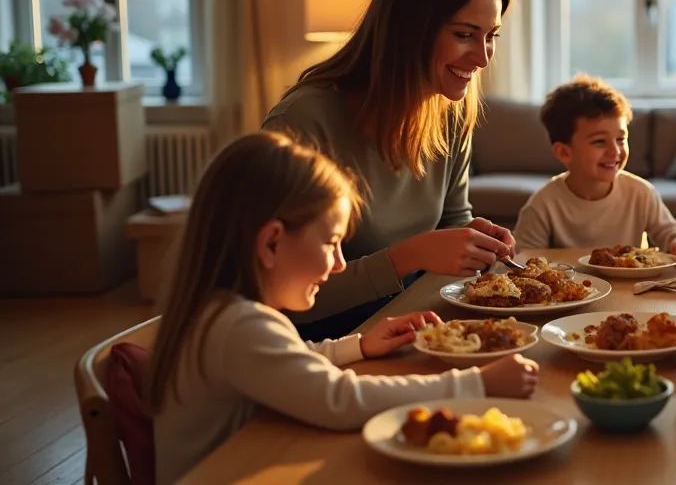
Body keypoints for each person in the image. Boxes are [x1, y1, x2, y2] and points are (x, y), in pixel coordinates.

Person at [147, 132, 539, 484]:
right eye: (331, 243)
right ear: (271, 244)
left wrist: (359, 346)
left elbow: (288, 361)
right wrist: (476, 383)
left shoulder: (222, 313)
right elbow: (340, 400)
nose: (338, 264)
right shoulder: (239, 326)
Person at [264, 0, 517, 340]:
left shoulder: (449, 113)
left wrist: (474, 241)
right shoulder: (304, 122)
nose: (484, 56)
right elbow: (279, 296)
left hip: (412, 326)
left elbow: (453, 219)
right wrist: (408, 257)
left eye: (492, 36)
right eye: (465, 34)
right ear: (409, 28)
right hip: (323, 346)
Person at [513, 75, 676, 261]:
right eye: (599, 141)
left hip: (630, 292)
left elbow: (670, 231)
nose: (615, 151)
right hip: (571, 293)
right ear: (564, 152)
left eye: (620, 139)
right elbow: (524, 258)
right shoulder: (542, 204)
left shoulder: (640, 193)